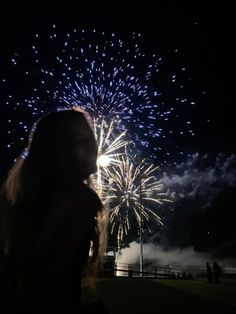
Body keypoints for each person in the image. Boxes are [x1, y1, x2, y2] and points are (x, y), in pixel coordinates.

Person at [0, 109, 108, 313]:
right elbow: (42, 285)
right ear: (59, 150)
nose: (94, 147)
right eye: (81, 141)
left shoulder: (27, 200)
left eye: (90, 138)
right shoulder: (77, 199)